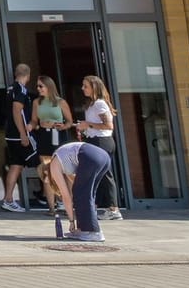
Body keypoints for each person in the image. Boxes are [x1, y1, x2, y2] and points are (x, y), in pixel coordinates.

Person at [44, 136, 113, 243]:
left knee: (81, 193)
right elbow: (77, 185)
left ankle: (93, 232)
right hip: (103, 156)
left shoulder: (54, 166)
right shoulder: (63, 161)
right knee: (87, 193)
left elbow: (66, 197)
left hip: (90, 157)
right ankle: (84, 229)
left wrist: (71, 221)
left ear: (46, 173)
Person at [74, 74, 123, 221]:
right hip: (94, 140)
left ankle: (113, 209)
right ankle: (99, 206)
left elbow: (108, 125)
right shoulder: (92, 104)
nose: (83, 89)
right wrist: (83, 127)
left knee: (104, 174)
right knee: (99, 174)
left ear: (94, 87)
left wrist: (87, 124)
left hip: (102, 141)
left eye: (86, 86)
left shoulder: (100, 104)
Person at [0, 62, 37, 211]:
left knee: (16, 165)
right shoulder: (20, 89)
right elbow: (17, 110)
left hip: (10, 134)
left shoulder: (9, 89)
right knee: (41, 162)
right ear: (28, 75)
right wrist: (23, 133)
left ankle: (8, 199)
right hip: (19, 134)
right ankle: (56, 197)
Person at [32, 75, 74, 213]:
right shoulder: (37, 102)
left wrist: (63, 126)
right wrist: (30, 126)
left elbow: (69, 121)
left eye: (41, 86)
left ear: (49, 87)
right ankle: (51, 206)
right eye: (37, 86)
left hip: (57, 134)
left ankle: (64, 200)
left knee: (62, 170)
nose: (38, 89)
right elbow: (34, 121)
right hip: (44, 135)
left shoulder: (60, 102)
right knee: (46, 171)